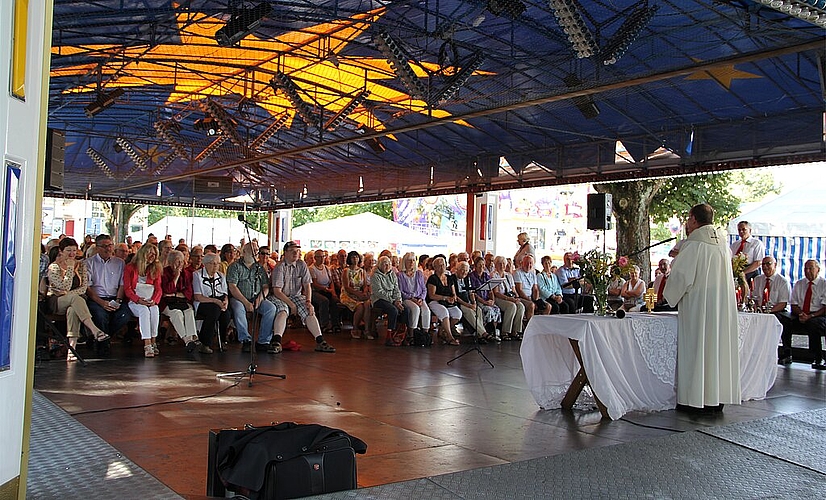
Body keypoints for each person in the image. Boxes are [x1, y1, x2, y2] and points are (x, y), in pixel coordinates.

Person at [663, 203, 739, 413]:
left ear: (694, 219)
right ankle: (716, 398)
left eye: (688, 219)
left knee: (698, 348)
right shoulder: (723, 244)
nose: (687, 223)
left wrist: (668, 296)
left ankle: (695, 400)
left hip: (699, 307)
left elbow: (681, 277)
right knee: (716, 348)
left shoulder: (694, 244)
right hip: (720, 307)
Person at [40, 237, 109, 361]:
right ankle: (94, 330)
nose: (72, 254)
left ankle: (72, 349)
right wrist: (70, 269)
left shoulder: (81, 265)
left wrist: (68, 293)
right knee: (75, 299)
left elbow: (83, 288)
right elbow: (64, 286)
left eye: (74, 250)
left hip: (75, 301)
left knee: (73, 308)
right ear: (61, 251)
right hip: (57, 301)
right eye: (68, 250)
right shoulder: (54, 267)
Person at [268, 241, 336, 353]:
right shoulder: (280, 266)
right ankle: (277, 341)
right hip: (280, 296)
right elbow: (277, 291)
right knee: (283, 311)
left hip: (296, 295)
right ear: (285, 253)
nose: (295, 253)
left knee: (309, 310)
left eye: (297, 251)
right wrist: (291, 305)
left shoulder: (301, 264)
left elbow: (307, 285)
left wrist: (308, 302)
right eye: (292, 251)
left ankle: (320, 341)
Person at [227, 242, 277, 354]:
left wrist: (259, 300)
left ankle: (263, 341)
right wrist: (246, 302)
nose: (256, 252)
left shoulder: (259, 268)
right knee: (238, 308)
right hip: (239, 298)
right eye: (252, 250)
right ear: (244, 252)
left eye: (256, 250)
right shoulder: (234, 266)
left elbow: (265, 287)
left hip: (256, 298)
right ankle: (246, 340)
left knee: (271, 308)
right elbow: (232, 287)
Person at [84, 233, 132, 341]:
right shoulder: (89, 263)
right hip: (97, 299)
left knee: (125, 315)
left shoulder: (120, 263)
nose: (108, 249)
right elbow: (88, 288)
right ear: (97, 247)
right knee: (100, 316)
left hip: (115, 297)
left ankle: (104, 338)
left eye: (110, 245)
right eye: (104, 246)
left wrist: (118, 300)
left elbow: (122, 284)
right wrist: (102, 303)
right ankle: (103, 345)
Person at [781, 259, 826, 370]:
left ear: (818, 269)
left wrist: (810, 316)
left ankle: (818, 357)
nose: (807, 271)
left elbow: (824, 307)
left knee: (813, 324)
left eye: (811, 268)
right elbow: (794, 304)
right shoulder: (799, 284)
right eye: (805, 268)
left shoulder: (823, 284)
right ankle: (787, 354)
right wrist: (801, 314)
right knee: (784, 320)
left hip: (818, 315)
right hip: (801, 314)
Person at [123, 243, 163, 358]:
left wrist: (154, 300)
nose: (152, 256)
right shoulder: (130, 268)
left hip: (150, 300)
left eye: (154, 254)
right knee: (144, 311)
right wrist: (138, 300)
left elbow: (159, 289)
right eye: (150, 253)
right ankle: (147, 344)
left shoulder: (156, 268)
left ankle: (154, 340)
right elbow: (127, 289)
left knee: (154, 310)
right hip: (135, 301)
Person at [752, 256, 792, 364]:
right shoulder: (758, 280)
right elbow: (754, 298)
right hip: (761, 311)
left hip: (778, 311)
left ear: (775, 265)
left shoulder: (782, 281)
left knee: (779, 320)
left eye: (768, 264)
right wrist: (757, 309)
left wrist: (768, 312)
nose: (765, 267)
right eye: (763, 264)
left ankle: (785, 352)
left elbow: (783, 303)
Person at [160, 250, 201, 352]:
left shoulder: (186, 274)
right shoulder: (164, 273)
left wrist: (174, 294)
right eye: (177, 262)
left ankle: (192, 337)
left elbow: (188, 293)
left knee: (189, 311)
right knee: (177, 314)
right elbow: (166, 290)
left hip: (181, 302)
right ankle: (186, 340)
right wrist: (176, 277)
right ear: (170, 262)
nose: (180, 265)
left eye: (182, 262)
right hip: (167, 303)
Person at [192, 253, 231, 354]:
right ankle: (205, 343)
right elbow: (198, 296)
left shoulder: (221, 276)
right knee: (214, 311)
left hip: (219, 300)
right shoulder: (197, 275)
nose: (215, 266)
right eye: (212, 263)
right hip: (204, 301)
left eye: (217, 264)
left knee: (226, 314)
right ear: (205, 264)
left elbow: (225, 293)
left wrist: (225, 302)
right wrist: (216, 302)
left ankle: (222, 340)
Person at [371, 256, 407, 346]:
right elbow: (379, 292)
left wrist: (398, 300)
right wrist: (393, 301)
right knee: (393, 310)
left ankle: (400, 334)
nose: (387, 266)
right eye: (385, 264)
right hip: (378, 299)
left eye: (389, 264)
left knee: (405, 309)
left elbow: (396, 289)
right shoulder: (375, 275)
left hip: (392, 299)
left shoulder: (392, 274)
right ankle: (389, 336)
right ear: (380, 265)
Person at [426, 256, 461, 345]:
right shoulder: (432, 278)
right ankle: (450, 337)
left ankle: (442, 330)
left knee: (458, 314)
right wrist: (444, 298)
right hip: (435, 301)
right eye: (440, 265)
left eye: (444, 265)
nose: (442, 267)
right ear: (435, 268)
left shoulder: (449, 278)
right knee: (444, 312)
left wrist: (453, 298)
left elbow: (453, 293)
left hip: (447, 302)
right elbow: (432, 295)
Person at [454, 261, 491, 342]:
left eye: (466, 270)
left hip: (468, 302)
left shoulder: (467, 278)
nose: (464, 272)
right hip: (458, 303)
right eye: (462, 270)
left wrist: (474, 303)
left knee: (479, 310)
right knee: (469, 311)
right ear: (457, 269)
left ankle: (479, 334)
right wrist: (468, 305)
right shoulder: (453, 279)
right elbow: (455, 297)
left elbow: (471, 293)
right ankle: (484, 334)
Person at [397, 252, 431, 341]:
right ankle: (411, 334)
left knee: (426, 310)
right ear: (404, 262)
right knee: (415, 309)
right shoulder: (400, 275)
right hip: (407, 298)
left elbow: (424, 289)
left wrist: (421, 299)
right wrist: (412, 299)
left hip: (419, 298)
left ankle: (425, 335)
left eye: (413, 260)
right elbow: (400, 291)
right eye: (409, 261)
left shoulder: (419, 273)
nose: (412, 262)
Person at [340, 251, 373, 339]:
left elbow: (365, 285)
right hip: (348, 294)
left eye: (357, 257)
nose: (355, 259)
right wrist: (357, 294)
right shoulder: (346, 271)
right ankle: (355, 328)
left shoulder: (362, 271)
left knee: (367, 304)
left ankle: (366, 330)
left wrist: (365, 292)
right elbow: (347, 287)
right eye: (353, 257)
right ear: (349, 259)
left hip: (359, 293)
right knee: (360, 306)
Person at [491, 255, 525, 341]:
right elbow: (496, 292)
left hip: (510, 296)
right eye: (499, 264)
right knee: (511, 306)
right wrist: (509, 299)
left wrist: (516, 297)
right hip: (499, 298)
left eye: (503, 264)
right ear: (495, 264)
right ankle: (505, 331)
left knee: (521, 306)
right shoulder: (494, 275)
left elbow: (513, 289)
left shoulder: (508, 275)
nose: (502, 266)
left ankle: (515, 331)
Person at [468, 257, 502, 332]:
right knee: (488, 310)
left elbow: (490, 291)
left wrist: (492, 300)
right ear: (475, 266)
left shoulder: (486, 276)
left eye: (483, 265)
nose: (482, 267)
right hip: (478, 300)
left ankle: (494, 331)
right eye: (479, 265)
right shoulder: (471, 276)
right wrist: (485, 302)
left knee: (496, 309)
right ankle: (484, 331)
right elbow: (474, 293)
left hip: (487, 299)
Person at [309, 249, 338, 333]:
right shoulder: (312, 269)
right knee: (324, 301)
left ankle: (335, 324)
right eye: (319, 257)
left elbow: (331, 281)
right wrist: (325, 289)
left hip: (326, 290)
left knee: (334, 300)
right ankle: (324, 324)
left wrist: (333, 292)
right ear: (315, 258)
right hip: (315, 291)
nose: (322, 259)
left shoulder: (326, 268)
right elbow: (314, 284)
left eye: (323, 256)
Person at [513, 254, 544, 321]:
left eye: (530, 263)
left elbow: (535, 288)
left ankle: (540, 326)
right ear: (522, 263)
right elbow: (519, 290)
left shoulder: (533, 272)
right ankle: (529, 327)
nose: (528, 265)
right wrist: (530, 301)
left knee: (547, 306)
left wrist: (536, 299)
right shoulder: (517, 272)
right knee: (531, 305)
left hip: (531, 297)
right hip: (522, 297)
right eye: (526, 263)